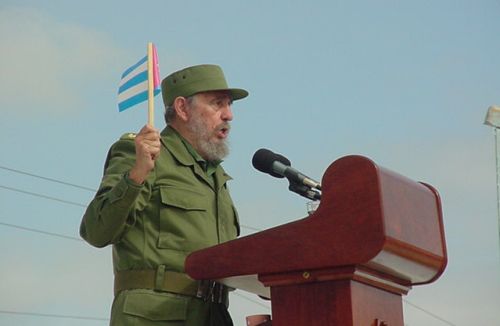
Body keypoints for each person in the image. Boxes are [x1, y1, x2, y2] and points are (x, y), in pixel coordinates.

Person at [80, 64, 248, 326]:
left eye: (229, 105)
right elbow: (96, 230)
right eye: (217, 104)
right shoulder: (142, 153)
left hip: (213, 315)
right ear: (182, 108)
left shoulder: (214, 175)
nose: (229, 115)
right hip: (156, 315)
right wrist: (137, 174)